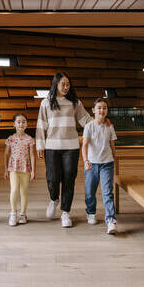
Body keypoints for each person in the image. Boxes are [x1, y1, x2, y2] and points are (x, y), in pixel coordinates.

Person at [36, 72, 92, 228]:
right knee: (52, 178)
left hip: (71, 147)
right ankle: (54, 199)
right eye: (63, 84)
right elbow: (41, 124)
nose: (66, 87)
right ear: (56, 84)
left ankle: (66, 212)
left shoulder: (75, 102)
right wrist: (40, 145)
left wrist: (101, 122)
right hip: (52, 147)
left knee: (69, 178)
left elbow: (86, 120)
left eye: (68, 84)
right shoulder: (46, 103)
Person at [82, 97, 118, 235]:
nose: (102, 110)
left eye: (104, 108)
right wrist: (86, 161)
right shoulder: (89, 126)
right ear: (93, 110)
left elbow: (112, 145)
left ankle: (111, 220)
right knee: (89, 193)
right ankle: (91, 212)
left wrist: (113, 159)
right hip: (91, 164)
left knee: (107, 192)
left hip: (107, 164)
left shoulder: (110, 126)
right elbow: (84, 146)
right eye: (99, 108)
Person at [3, 113, 35, 226]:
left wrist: (33, 170)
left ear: (26, 124)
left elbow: (32, 155)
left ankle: (23, 214)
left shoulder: (29, 139)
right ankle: (13, 213)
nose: (21, 124)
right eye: (18, 122)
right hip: (14, 168)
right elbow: (6, 154)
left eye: (23, 121)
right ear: (14, 124)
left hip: (25, 169)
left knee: (24, 192)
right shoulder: (10, 139)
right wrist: (5, 169)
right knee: (14, 190)